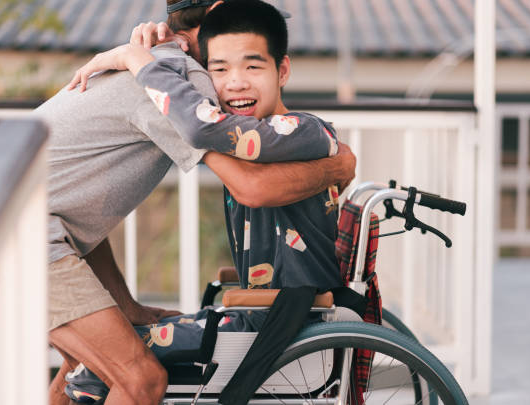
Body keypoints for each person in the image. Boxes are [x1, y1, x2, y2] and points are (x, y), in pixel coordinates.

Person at [37, 0, 355, 404]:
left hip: (18, 222)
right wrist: (338, 165)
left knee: (85, 368)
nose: (234, 81)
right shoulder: (180, 83)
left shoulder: (157, 65)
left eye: (253, 64)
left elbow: (72, 209)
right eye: (224, 65)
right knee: (140, 381)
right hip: (21, 235)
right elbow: (251, 186)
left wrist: (126, 306)